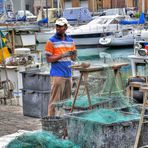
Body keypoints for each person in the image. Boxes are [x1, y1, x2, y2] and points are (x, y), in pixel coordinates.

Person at [45, 17, 77, 116]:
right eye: (57, 26)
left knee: (67, 102)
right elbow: (48, 59)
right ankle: (50, 122)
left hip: (68, 74)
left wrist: (73, 54)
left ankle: (64, 122)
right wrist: (62, 55)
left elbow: (73, 59)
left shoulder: (71, 41)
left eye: (60, 26)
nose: (58, 28)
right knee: (54, 101)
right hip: (57, 75)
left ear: (66, 27)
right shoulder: (51, 41)